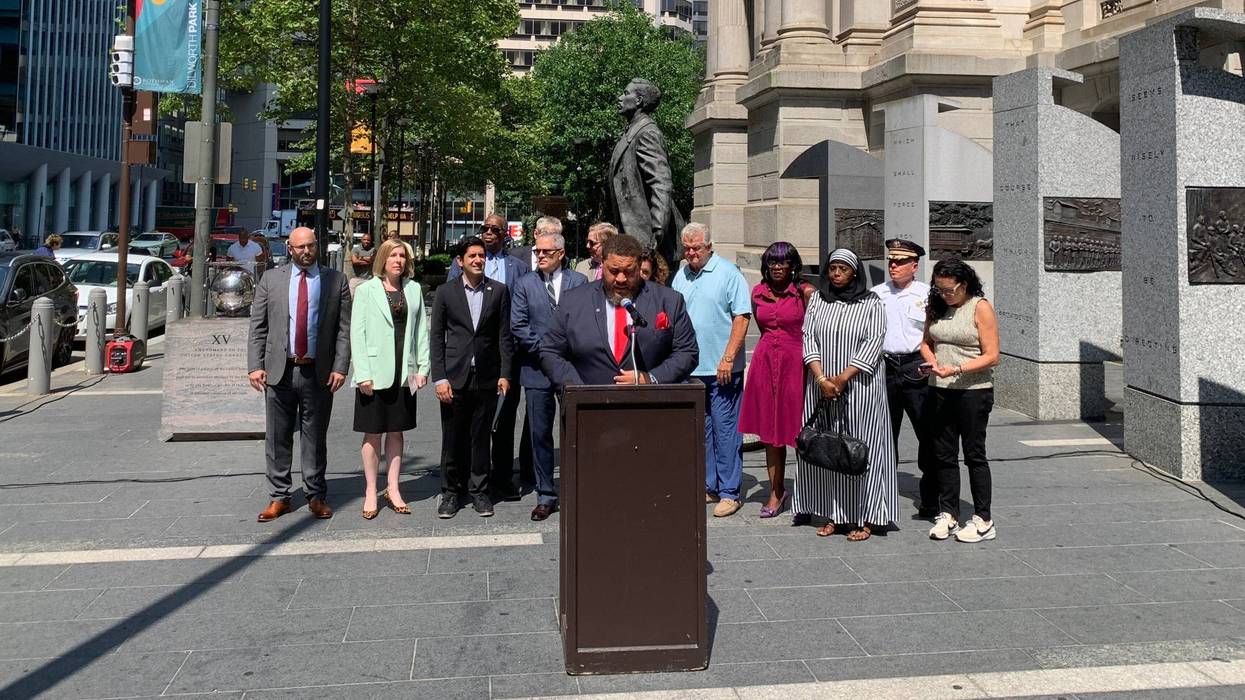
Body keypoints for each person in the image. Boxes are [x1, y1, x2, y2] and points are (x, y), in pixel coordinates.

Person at [247, 227, 351, 522]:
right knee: (277, 437)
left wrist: (340, 366)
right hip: (279, 370)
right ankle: (279, 496)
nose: (307, 251)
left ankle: (315, 494)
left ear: (317, 246)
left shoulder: (336, 280)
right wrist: (255, 365)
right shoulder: (271, 280)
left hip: (318, 372)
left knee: (314, 437)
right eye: (300, 247)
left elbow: (344, 329)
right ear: (290, 249)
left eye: (311, 246)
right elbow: (258, 327)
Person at [796, 249, 896, 541]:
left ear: (855, 272)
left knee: (859, 449)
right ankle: (832, 514)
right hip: (822, 386)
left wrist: (841, 378)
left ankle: (865, 516)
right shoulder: (818, 300)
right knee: (827, 449)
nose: (837, 274)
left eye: (843, 268)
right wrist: (821, 378)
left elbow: (874, 341)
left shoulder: (871, 303)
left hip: (860, 387)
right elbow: (808, 337)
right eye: (832, 268)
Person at [541, 233, 697, 388]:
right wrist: (576, 389)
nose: (621, 279)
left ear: (639, 266)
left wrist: (652, 378)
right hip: (588, 400)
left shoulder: (669, 301)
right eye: (614, 271)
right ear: (602, 264)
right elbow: (550, 351)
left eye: (629, 272)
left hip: (649, 399)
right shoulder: (573, 301)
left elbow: (687, 352)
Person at [430, 235, 515, 519]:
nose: (478, 260)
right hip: (455, 376)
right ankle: (451, 492)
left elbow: (504, 336)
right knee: (453, 437)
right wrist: (439, 378)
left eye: (482, 256)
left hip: (487, 376)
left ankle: (479, 490)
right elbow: (436, 338)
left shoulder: (499, 291)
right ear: (460, 261)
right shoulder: (446, 292)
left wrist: (505, 373)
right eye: (472, 256)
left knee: (481, 436)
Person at [671, 223, 751, 518]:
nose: (691, 253)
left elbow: (742, 317)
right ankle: (710, 485)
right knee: (702, 430)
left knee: (725, 430)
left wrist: (728, 358)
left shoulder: (729, 273)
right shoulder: (681, 274)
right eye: (687, 248)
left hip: (722, 369)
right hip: (692, 368)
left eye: (697, 248)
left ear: (709, 247)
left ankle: (730, 492)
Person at [920, 257, 1000, 543]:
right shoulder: (936, 305)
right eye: (939, 289)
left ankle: (983, 519)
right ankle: (949, 513)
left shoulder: (980, 307)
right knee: (943, 454)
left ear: (964, 285)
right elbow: (926, 343)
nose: (945, 295)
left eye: (949, 290)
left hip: (973, 390)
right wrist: (931, 362)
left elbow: (992, 355)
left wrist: (957, 369)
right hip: (939, 388)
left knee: (974, 454)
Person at [450, 213, 529, 501]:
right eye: (485, 228)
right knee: (469, 421)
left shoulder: (519, 267)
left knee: (504, 419)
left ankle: (502, 477)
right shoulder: (461, 263)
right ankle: (465, 479)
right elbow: (452, 302)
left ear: (505, 234)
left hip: (506, 354)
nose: (489, 232)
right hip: (471, 357)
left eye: (495, 229)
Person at [510, 227, 587, 521]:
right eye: (537, 251)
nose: (540, 256)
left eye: (546, 252)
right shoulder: (524, 284)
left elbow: (585, 321)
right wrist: (546, 352)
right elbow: (519, 325)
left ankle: (576, 487)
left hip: (572, 369)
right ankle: (545, 494)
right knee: (539, 433)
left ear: (561, 253)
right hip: (537, 369)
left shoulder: (579, 282)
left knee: (574, 430)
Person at [350, 239, 430, 519]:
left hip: (404, 372)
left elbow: (421, 330)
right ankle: (371, 490)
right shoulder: (366, 290)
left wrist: (423, 367)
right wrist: (362, 373)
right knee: (372, 433)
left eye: (402, 256)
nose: (398, 260)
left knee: (397, 431)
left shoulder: (414, 289)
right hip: (373, 373)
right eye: (393, 255)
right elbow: (357, 334)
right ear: (382, 259)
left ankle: (393, 488)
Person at [738, 242, 814, 519]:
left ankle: (808, 494)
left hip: (797, 364)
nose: (778, 267)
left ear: (793, 265)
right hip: (766, 362)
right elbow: (763, 328)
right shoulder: (758, 293)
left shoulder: (805, 292)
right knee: (771, 432)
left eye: (783, 262)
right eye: (772, 262)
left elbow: (815, 330)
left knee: (801, 429)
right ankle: (776, 490)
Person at [870, 238, 937, 517]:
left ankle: (931, 498)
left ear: (914, 266)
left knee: (927, 434)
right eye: (891, 261)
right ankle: (883, 496)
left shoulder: (928, 295)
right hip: (885, 368)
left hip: (916, 368)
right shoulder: (876, 294)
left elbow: (935, 334)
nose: (893, 266)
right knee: (885, 435)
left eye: (900, 262)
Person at [608, 79, 685, 271]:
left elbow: (661, 184)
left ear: (639, 101)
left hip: (651, 245)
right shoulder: (631, 134)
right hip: (637, 239)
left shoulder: (647, 133)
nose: (620, 98)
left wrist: (656, 235)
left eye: (626, 93)